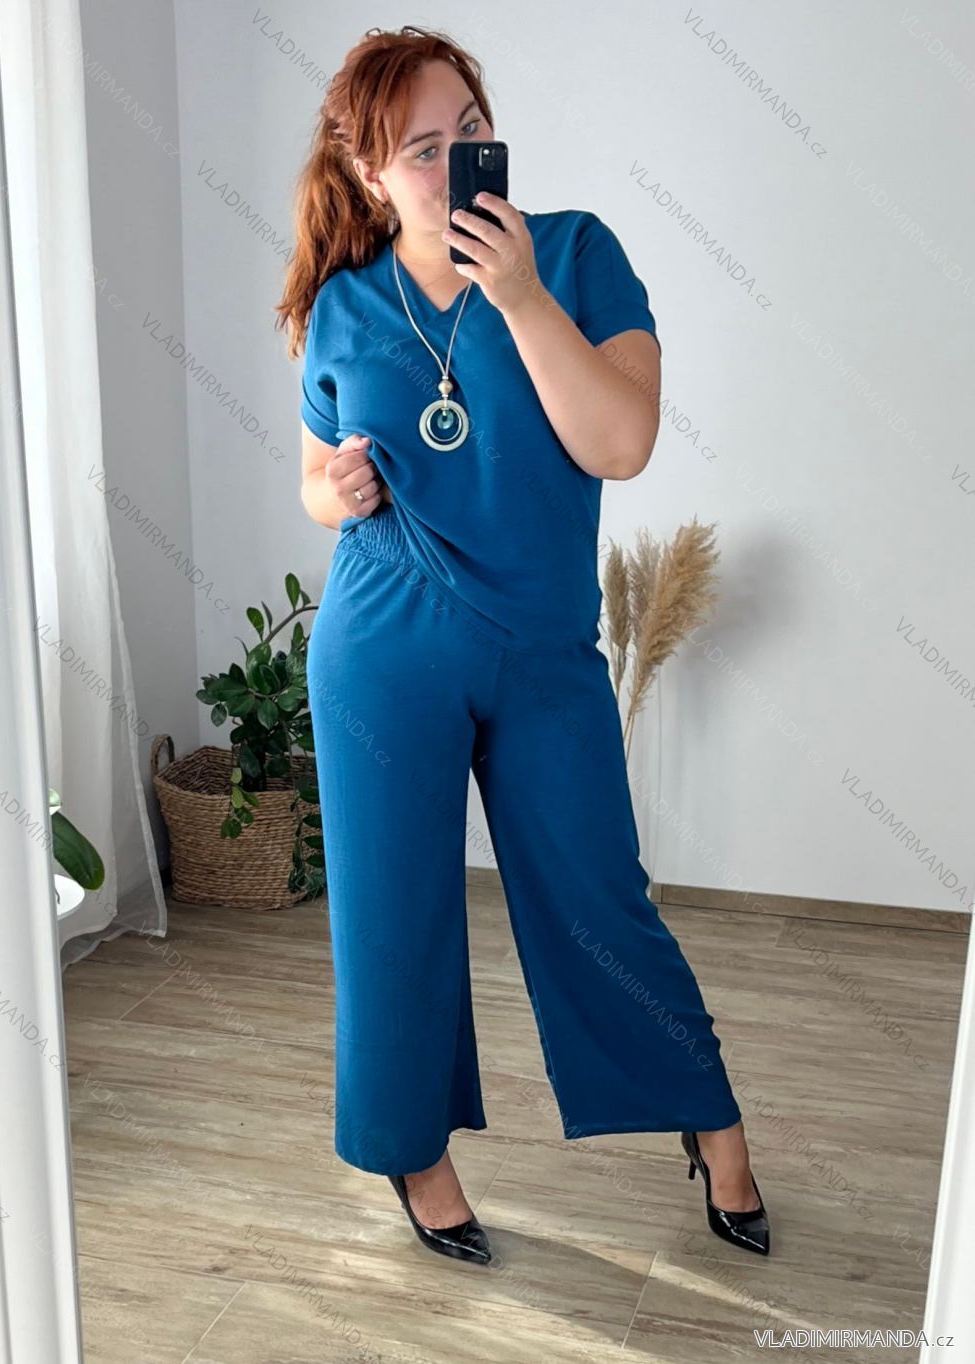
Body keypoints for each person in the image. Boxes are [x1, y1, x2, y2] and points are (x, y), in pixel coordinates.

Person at [277, 24, 770, 1264]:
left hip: (542, 649)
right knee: (392, 916)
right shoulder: (342, 304)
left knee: (598, 895)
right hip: (383, 644)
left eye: (468, 134)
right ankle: (416, 1154)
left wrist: (519, 294)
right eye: (419, 150)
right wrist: (338, 485)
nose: (452, 164)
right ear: (368, 171)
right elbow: (313, 484)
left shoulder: (576, 254)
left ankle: (708, 1118)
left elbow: (620, 443)